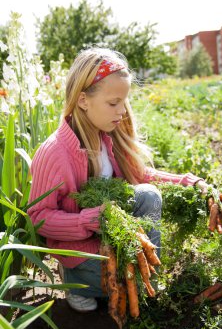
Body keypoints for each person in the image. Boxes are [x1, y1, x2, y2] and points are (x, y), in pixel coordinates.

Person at [28, 47, 208, 313]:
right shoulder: (55, 153)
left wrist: (186, 182)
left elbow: (141, 176)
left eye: (124, 102)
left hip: (114, 237)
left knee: (148, 194)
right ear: (82, 100)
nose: (122, 111)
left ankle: (148, 277)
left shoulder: (106, 137)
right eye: (113, 103)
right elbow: (39, 217)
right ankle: (76, 281)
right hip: (81, 250)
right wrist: (87, 220)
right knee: (123, 281)